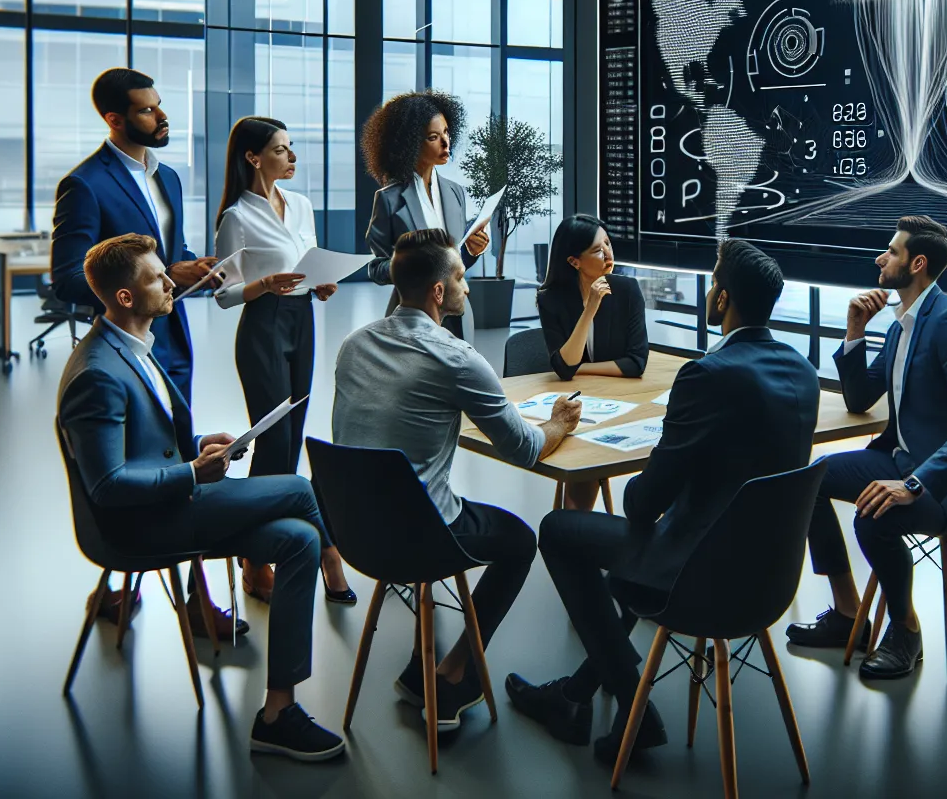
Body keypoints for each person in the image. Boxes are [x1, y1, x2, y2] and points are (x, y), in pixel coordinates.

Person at [506, 240, 820, 765]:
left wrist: (665, 451)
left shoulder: (707, 375)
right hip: (770, 576)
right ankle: (578, 692)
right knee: (636, 557)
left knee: (560, 530)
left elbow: (642, 506)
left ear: (722, 300)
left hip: (699, 574)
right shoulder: (802, 370)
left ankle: (634, 706)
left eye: (715, 281)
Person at [57, 233, 344, 762]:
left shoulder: (133, 347)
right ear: (125, 297)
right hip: (144, 525)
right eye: (156, 278)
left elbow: (144, 445)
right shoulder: (96, 374)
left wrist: (195, 447)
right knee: (301, 489)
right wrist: (192, 472)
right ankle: (340, 559)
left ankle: (278, 712)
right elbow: (107, 486)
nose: (172, 283)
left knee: (298, 539)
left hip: (173, 502)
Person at [333, 228, 582, 734]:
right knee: (519, 540)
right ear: (438, 293)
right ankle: (454, 675)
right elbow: (525, 449)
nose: (469, 287)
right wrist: (558, 422)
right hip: (418, 538)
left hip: (353, 530)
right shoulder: (457, 357)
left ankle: (415, 670)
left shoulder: (353, 346)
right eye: (462, 277)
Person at [785, 215, 947, 680]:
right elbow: (861, 398)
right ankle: (848, 614)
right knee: (814, 480)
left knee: (872, 515)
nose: (880, 259)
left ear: (917, 263)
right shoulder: (902, 323)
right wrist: (855, 330)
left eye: (892, 252)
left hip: (945, 485)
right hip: (901, 457)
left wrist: (915, 484)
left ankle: (906, 629)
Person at [52, 67, 219, 624]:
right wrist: (162, 272)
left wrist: (194, 268)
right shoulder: (85, 185)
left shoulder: (168, 178)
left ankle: (167, 594)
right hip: (124, 353)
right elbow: (69, 281)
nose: (162, 116)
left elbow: (171, 254)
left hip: (172, 342)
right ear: (114, 119)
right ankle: (185, 599)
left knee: (179, 462)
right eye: (148, 110)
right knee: (135, 469)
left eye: (160, 105)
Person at [211, 116, 355, 607]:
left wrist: (322, 283)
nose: (291, 157)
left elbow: (307, 262)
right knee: (271, 440)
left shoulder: (301, 205)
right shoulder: (236, 217)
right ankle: (254, 559)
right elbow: (224, 295)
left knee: (291, 440)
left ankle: (274, 543)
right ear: (254, 157)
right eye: (281, 149)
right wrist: (264, 285)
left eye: (292, 148)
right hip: (263, 325)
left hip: (302, 322)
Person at [536, 214, 649, 510]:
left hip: (622, 403)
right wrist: (591, 308)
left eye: (608, 244)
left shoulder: (628, 290)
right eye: (598, 250)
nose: (609, 253)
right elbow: (564, 365)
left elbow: (636, 363)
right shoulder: (551, 299)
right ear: (574, 261)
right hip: (578, 408)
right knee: (581, 465)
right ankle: (572, 539)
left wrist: (577, 368)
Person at [361, 91, 491, 339]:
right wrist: (414, 266)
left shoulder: (456, 193)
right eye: (433, 137)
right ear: (410, 144)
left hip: (457, 312)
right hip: (413, 318)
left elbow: (457, 260)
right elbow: (376, 269)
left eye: (446, 133)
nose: (445, 142)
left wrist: (472, 250)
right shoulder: (389, 199)